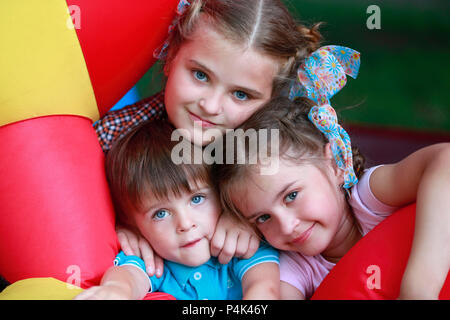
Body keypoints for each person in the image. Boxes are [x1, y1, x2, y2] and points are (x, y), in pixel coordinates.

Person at [94, 0, 323, 276]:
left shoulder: (276, 152)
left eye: (241, 94)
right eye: (200, 75)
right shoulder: (114, 137)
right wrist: (118, 227)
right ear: (171, 55)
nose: (211, 107)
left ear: (270, 102)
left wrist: (248, 217)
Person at [213, 97, 450, 300]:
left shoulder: (369, 199)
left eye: (291, 196)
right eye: (263, 217)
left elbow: (445, 160)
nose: (286, 226)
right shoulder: (296, 267)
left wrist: (418, 288)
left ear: (335, 163)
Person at [75, 120, 280, 300]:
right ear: (134, 226)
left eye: (197, 199)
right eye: (160, 214)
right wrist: (117, 290)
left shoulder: (239, 244)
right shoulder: (152, 261)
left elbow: (264, 288)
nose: (185, 224)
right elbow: (128, 275)